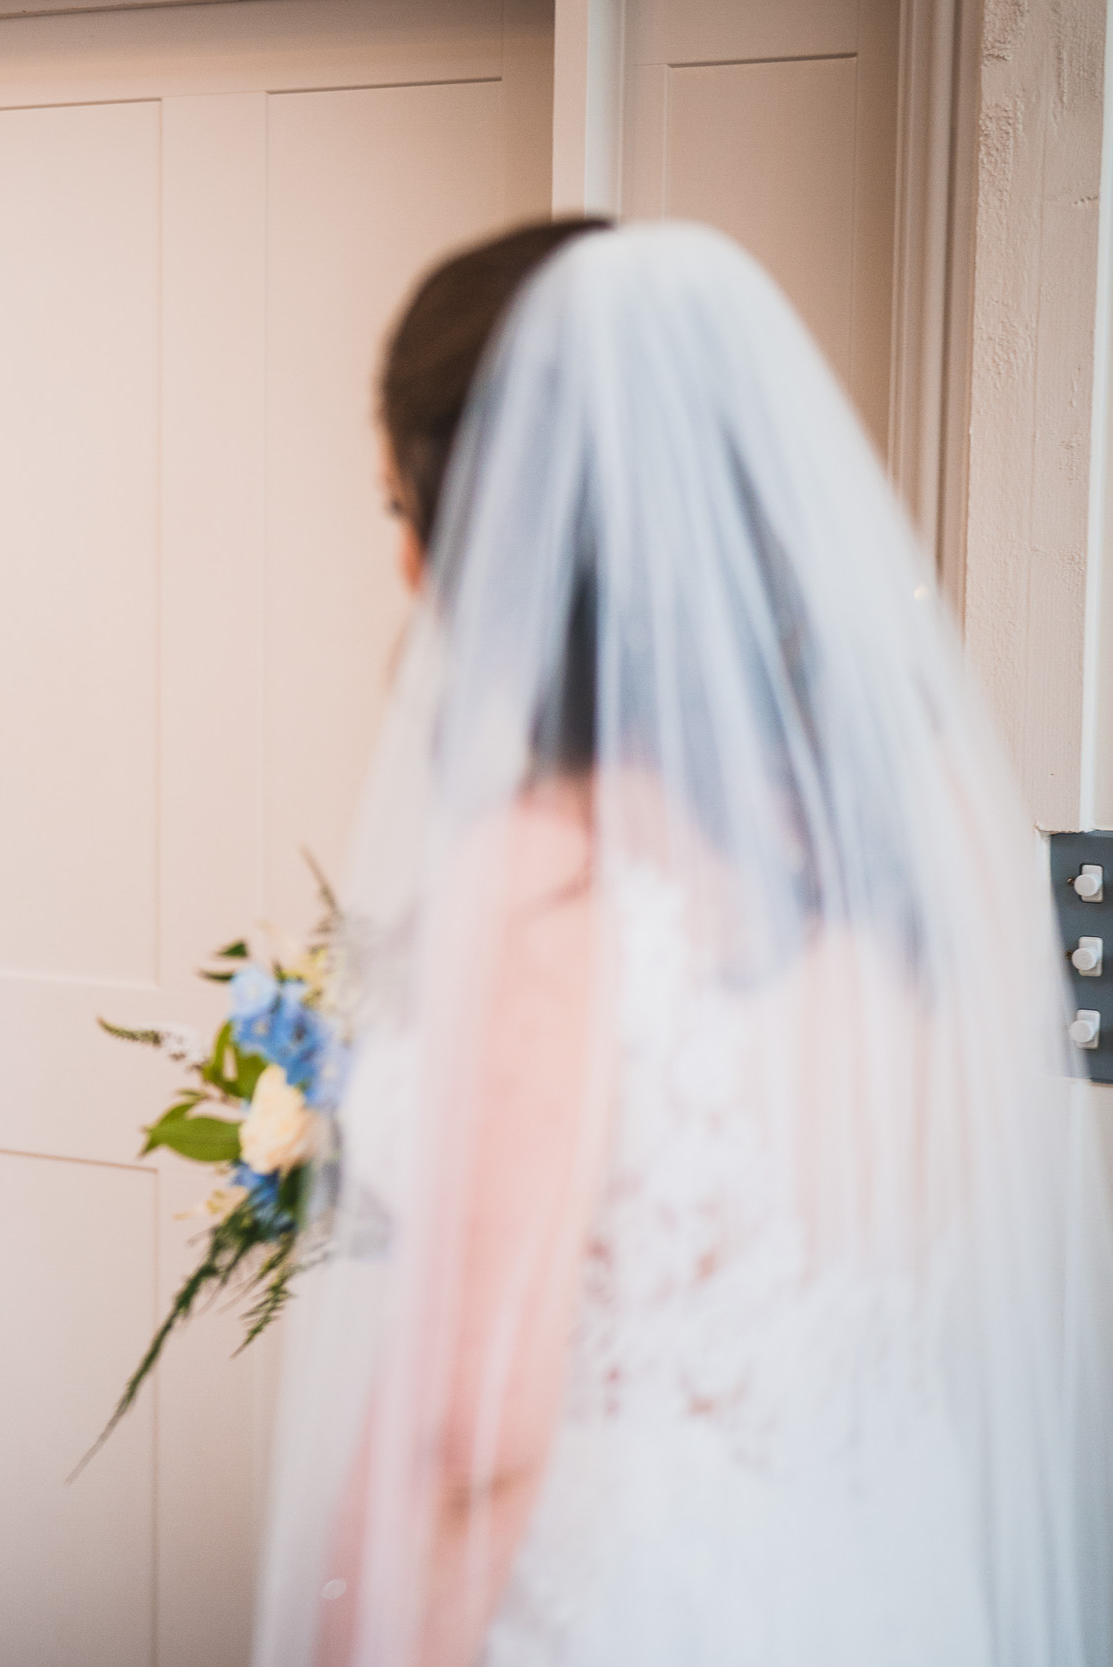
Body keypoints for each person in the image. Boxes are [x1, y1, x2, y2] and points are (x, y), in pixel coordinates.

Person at [253, 221, 1113, 1666]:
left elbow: (469, 1446)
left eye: (405, 504)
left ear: (491, 532)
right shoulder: (933, 828)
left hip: (627, 1604)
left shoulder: (558, 880)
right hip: (882, 1570)